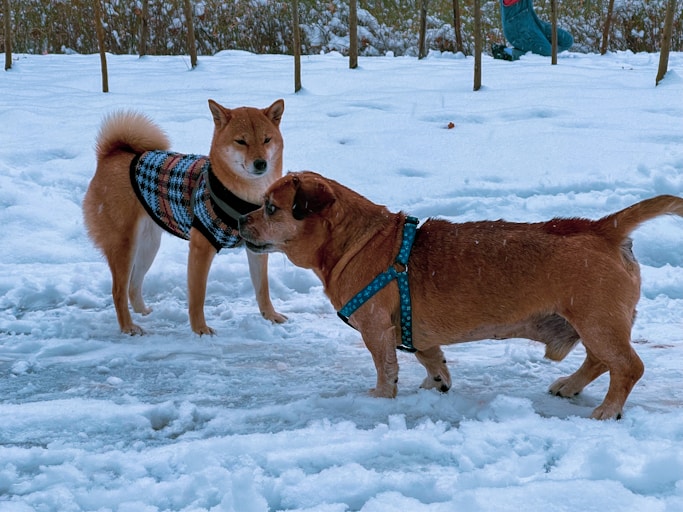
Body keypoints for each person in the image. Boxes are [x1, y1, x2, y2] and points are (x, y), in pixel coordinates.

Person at [492, 0, 573, 61]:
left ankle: (534, 49)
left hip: (533, 23)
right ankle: (507, 53)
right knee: (548, 52)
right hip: (517, 28)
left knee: (566, 40)